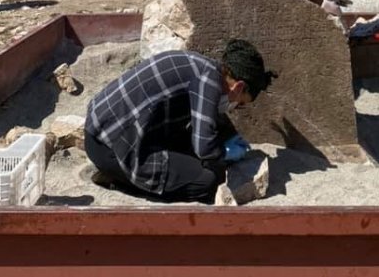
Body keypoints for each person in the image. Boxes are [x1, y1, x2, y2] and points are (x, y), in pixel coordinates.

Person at [84, 39, 277, 204]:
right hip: (111, 147)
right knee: (207, 181)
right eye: (240, 102)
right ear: (239, 86)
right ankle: (122, 182)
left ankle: (121, 174)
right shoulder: (208, 81)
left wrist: (228, 136)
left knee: (190, 151)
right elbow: (205, 148)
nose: (235, 106)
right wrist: (226, 153)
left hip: (102, 130)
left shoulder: (202, 67)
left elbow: (204, 119)